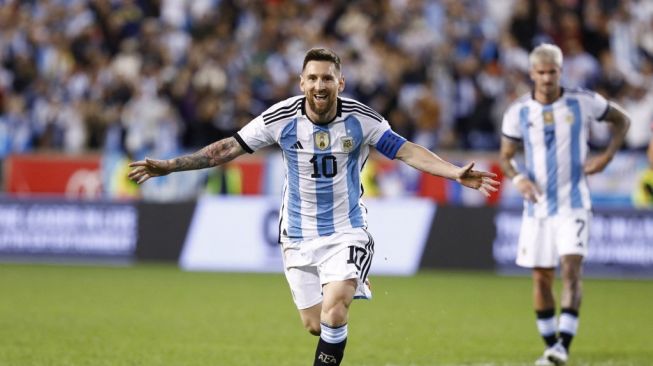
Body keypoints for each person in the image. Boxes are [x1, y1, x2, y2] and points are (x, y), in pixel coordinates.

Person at [128, 48, 499, 366]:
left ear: (341, 83)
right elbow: (226, 148)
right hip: (297, 234)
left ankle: (349, 276)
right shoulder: (280, 117)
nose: (320, 85)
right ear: (301, 83)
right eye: (313, 78)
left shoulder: (361, 119)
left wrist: (453, 173)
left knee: (336, 306)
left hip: (346, 229)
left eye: (327, 78)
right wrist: (171, 166)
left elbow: (406, 151)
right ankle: (345, 292)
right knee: (316, 325)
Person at [499, 43, 630, 366]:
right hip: (537, 208)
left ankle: (563, 347)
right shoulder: (518, 112)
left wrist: (606, 157)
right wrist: (518, 180)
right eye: (540, 72)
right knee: (541, 278)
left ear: (561, 71)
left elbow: (622, 120)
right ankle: (551, 346)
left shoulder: (582, 101)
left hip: (575, 204)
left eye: (552, 71)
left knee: (571, 270)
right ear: (532, 73)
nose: (546, 78)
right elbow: (505, 157)